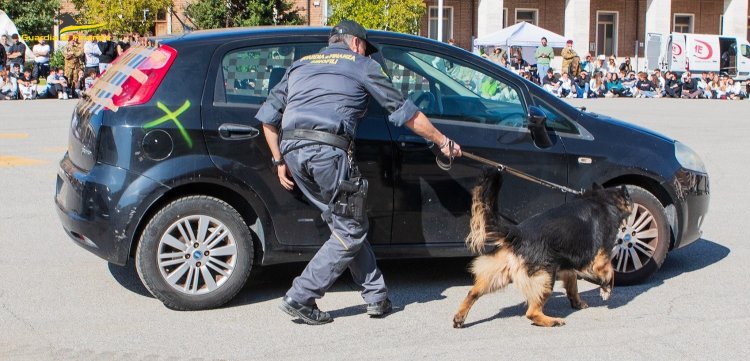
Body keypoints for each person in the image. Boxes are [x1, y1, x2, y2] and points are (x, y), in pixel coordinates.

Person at [255, 19, 462, 325]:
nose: (366, 53)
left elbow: (267, 118)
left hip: (293, 154)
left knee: (345, 224)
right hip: (328, 154)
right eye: (365, 48)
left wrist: (278, 160)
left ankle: (376, 296)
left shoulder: (300, 65)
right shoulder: (360, 65)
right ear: (356, 43)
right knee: (350, 231)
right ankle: (300, 296)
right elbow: (405, 112)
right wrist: (442, 140)